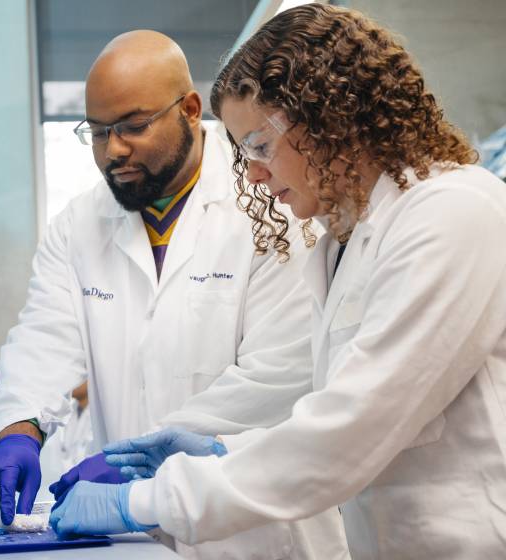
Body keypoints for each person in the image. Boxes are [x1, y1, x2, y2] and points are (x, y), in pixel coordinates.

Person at [49, 5, 506, 559]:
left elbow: (348, 432)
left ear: (329, 121)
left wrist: (145, 501)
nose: (256, 175)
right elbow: (326, 395)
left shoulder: (451, 213)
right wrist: (225, 449)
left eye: (260, 148)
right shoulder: (348, 239)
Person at [0, 29, 350, 558]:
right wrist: (19, 431)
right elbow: (44, 336)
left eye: (134, 126)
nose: (113, 150)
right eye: (97, 132)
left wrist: (145, 454)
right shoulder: (78, 225)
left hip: (258, 534)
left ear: (190, 109)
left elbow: (278, 375)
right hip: (133, 536)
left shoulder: (274, 205)